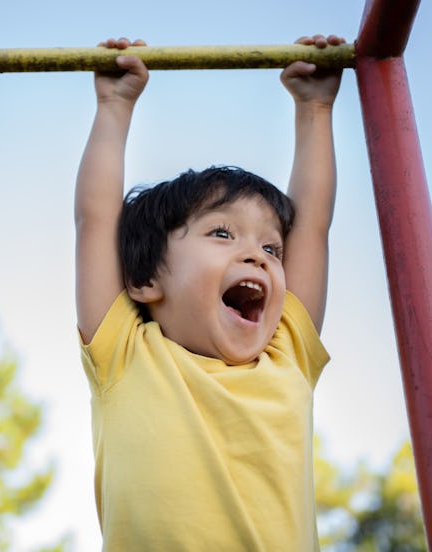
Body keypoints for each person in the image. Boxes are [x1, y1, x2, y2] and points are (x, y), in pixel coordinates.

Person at [75, 34, 344, 551]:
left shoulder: (286, 353)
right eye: (222, 233)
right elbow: (96, 221)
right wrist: (113, 106)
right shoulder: (126, 355)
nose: (257, 255)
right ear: (146, 280)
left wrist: (315, 109)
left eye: (271, 247)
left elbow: (311, 228)